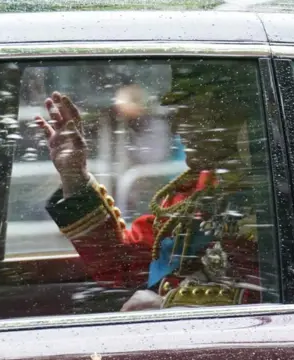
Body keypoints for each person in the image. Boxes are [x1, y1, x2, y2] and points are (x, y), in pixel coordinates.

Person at [35, 63, 262, 311]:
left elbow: (280, 298)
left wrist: (169, 305)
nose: (176, 127)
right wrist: (74, 175)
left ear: (235, 113)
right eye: (177, 112)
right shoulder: (194, 191)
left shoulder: (284, 198)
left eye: (190, 111)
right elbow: (123, 264)